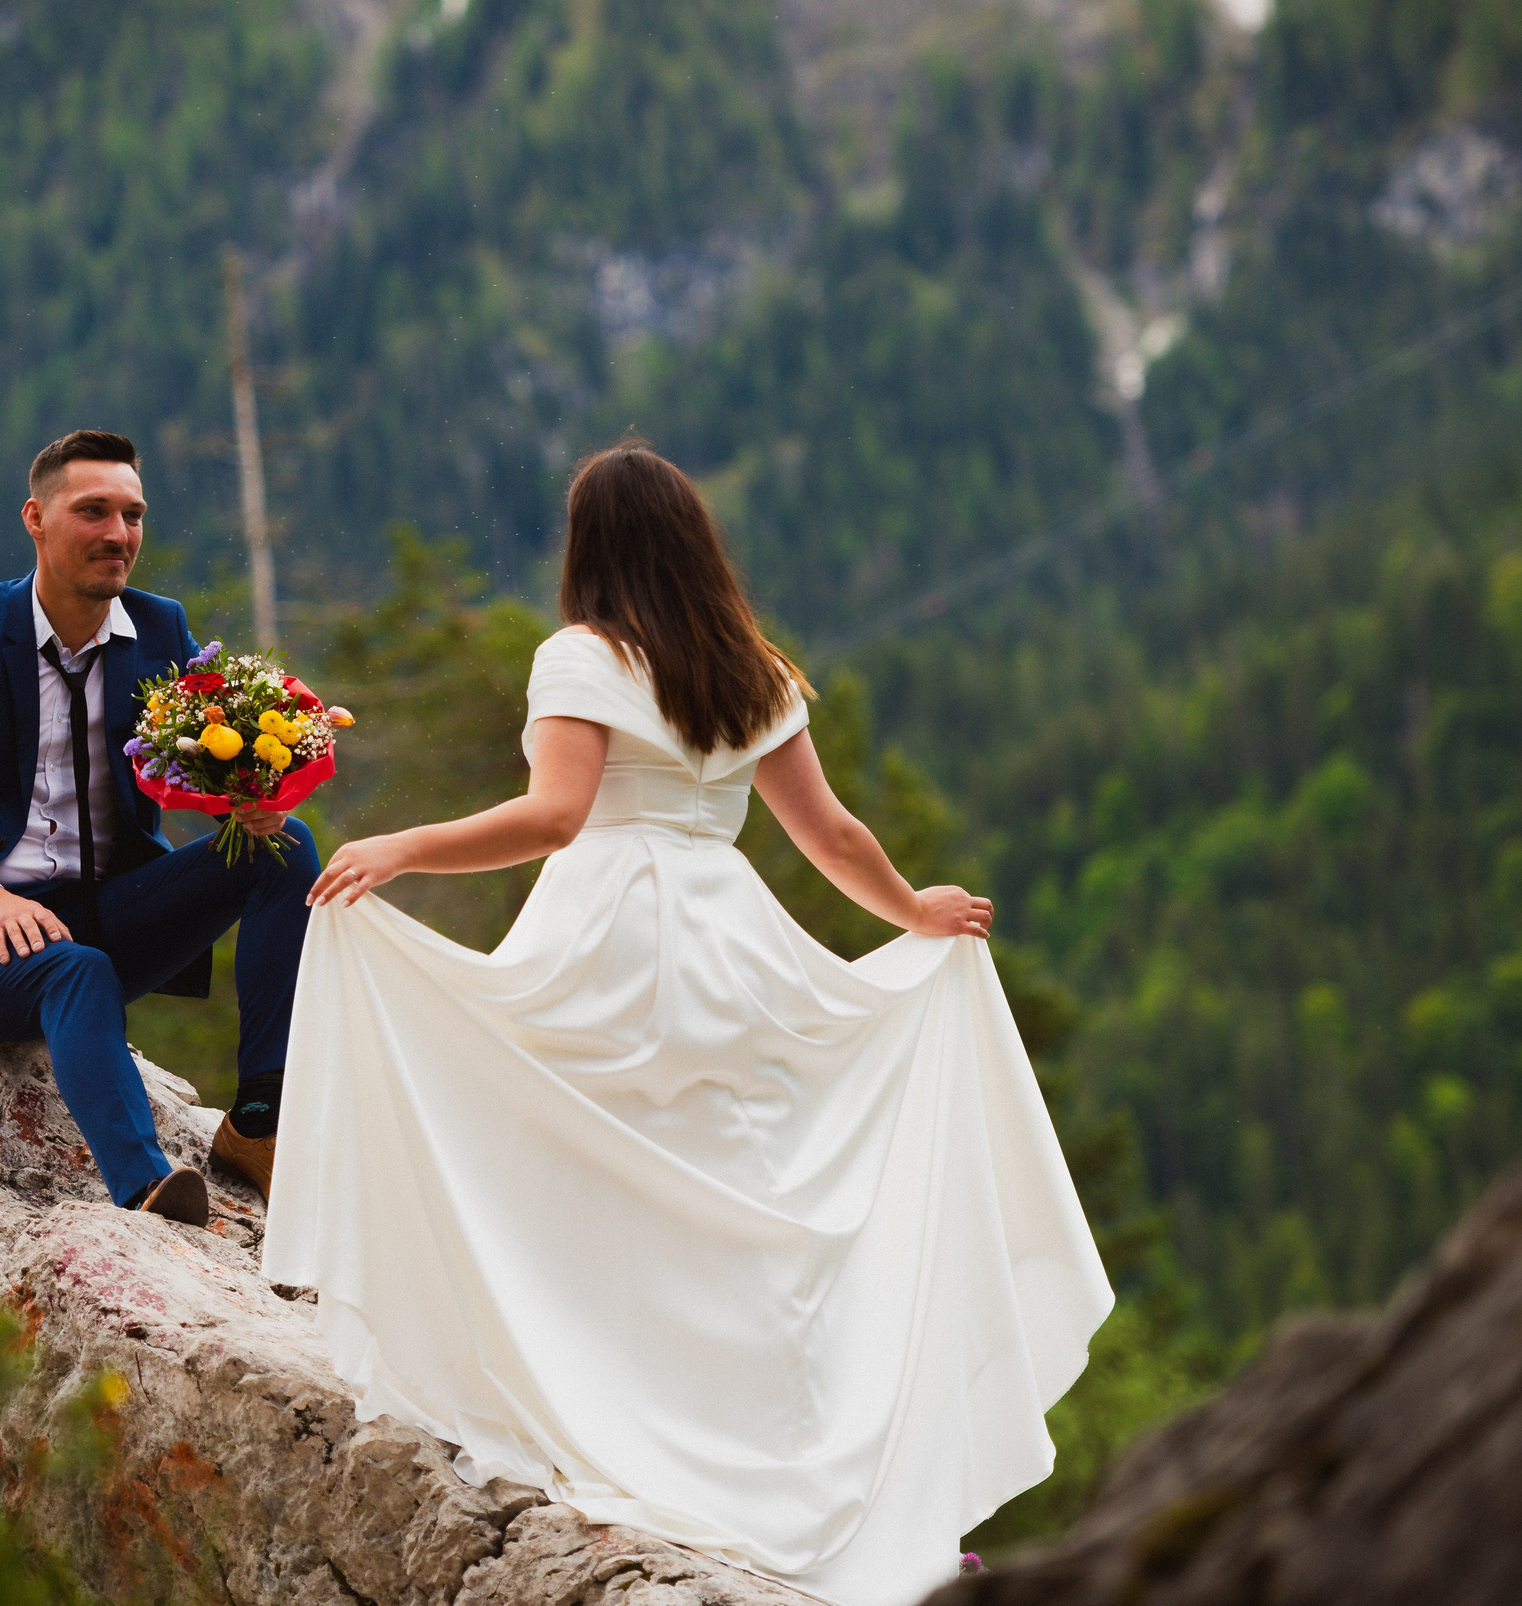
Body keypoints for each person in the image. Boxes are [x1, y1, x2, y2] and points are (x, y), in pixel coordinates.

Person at [261, 443, 1112, 1605]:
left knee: (569, 1174)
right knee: (737, 1204)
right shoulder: (750, 666)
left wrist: (403, 846)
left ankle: (611, 1416)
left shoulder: (579, 655)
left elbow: (558, 815)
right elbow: (829, 832)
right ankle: (777, 1470)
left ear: (588, 546)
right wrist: (914, 908)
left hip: (612, 939)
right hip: (730, 944)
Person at [0, 429, 315, 1224]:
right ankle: (147, 1186)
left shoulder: (160, 630)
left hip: (108, 909)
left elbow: (191, 770)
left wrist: (244, 801)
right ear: (34, 517)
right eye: (93, 511)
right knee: (76, 971)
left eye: (133, 514)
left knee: (285, 845)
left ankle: (259, 1123)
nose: (119, 534)